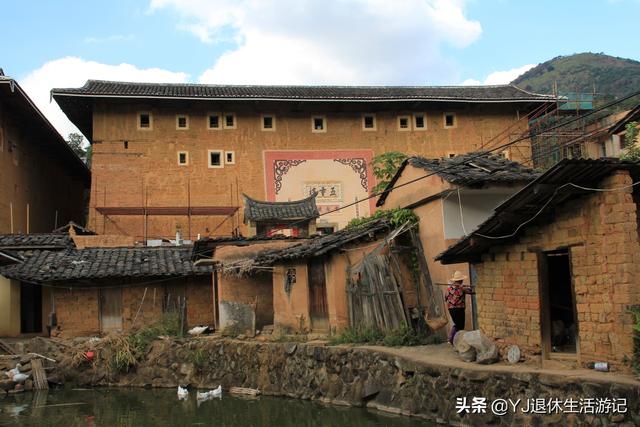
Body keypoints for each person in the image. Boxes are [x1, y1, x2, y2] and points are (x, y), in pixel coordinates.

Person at [445, 271, 473, 344]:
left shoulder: (448, 289)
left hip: (450, 309)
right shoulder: (461, 288)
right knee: (460, 326)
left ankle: (451, 339)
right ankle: (454, 340)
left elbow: (446, 298)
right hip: (459, 309)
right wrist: (468, 288)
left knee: (457, 324)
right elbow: (470, 291)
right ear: (460, 280)